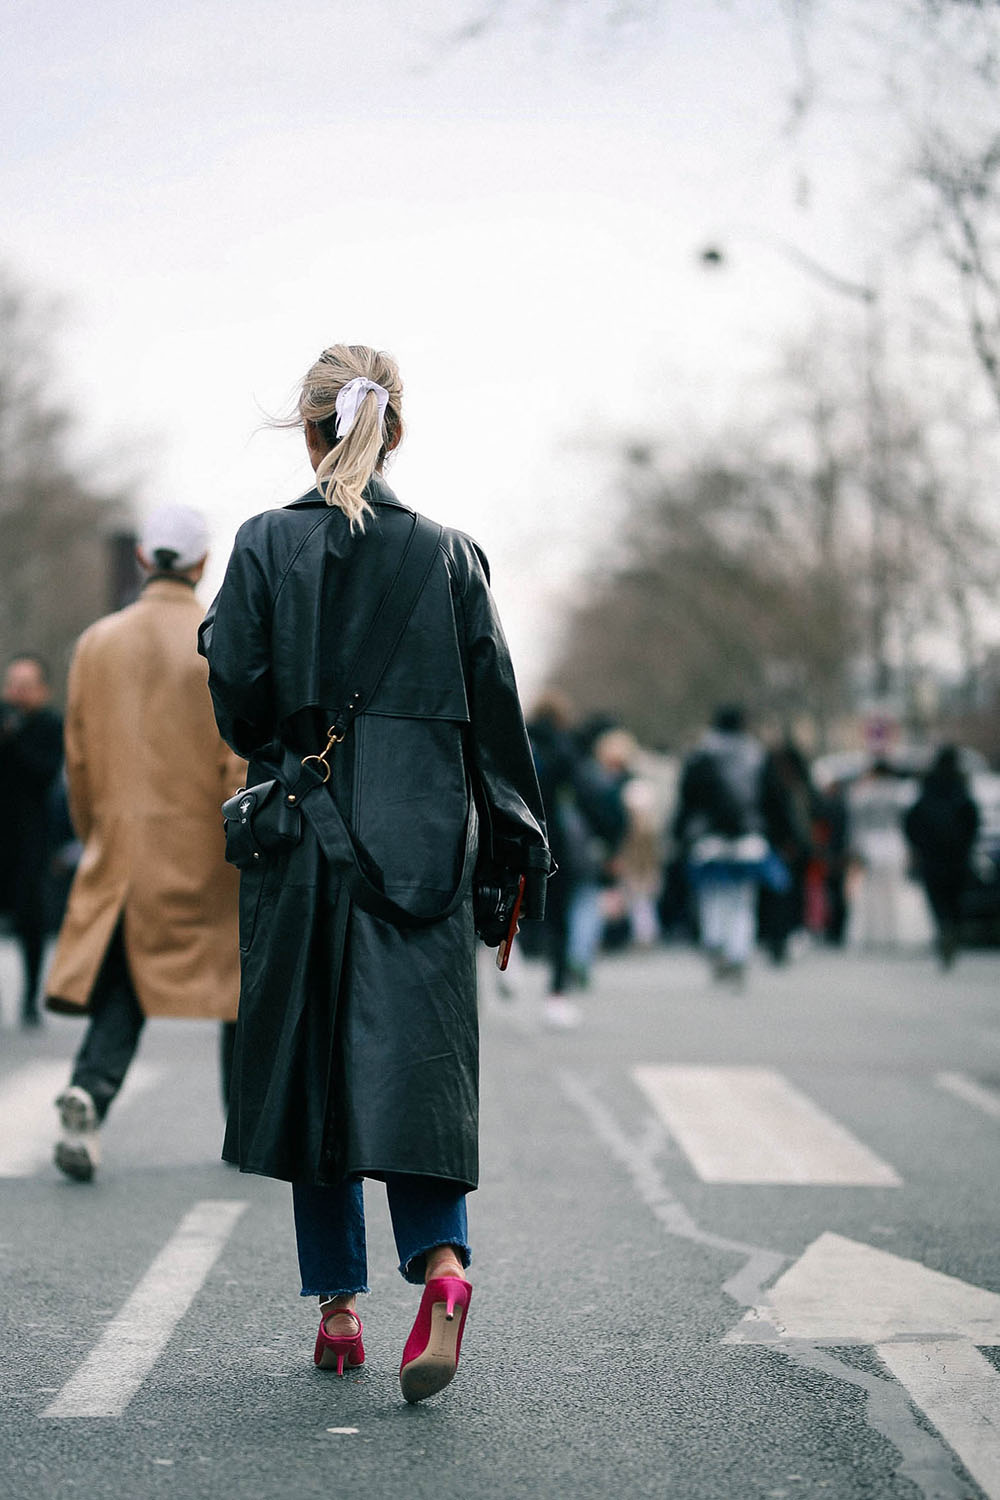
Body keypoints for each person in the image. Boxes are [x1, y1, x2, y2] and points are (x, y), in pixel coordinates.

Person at [198, 343, 550, 1404]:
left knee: (317, 1074)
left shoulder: (264, 544)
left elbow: (244, 709)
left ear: (310, 430)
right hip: (426, 848)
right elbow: (498, 734)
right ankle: (442, 1273)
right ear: (395, 430)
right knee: (418, 1068)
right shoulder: (453, 557)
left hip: (312, 846)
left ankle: (340, 1312)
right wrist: (509, 860)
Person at [45, 506, 244, 1180]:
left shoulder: (97, 642)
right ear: (203, 563)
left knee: (124, 983)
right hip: (210, 850)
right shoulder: (222, 635)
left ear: (140, 558)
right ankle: (245, 1126)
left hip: (124, 845)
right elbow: (238, 753)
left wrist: (94, 833)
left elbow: (77, 759)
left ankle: (91, 1094)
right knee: (240, 983)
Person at [672, 704, 768, 985]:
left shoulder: (701, 755)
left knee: (713, 897)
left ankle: (717, 945)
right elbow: (770, 797)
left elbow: (687, 798)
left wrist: (680, 834)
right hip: (748, 837)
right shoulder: (755, 755)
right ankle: (738, 953)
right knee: (743, 900)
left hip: (708, 838)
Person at [0, 654, 64, 1026]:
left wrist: (16, 740)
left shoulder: (48, 725)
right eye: (14, 684)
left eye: (26, 686)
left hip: (30, 837)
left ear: (42, 690)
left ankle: (29, 997)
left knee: (30, 918)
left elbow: (45, 773)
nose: (18, 693)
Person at [903, 745, 980, 968]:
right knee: (955, 898)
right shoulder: (961, 784)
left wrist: (918, 845)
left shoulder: (928, 784)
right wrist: (966, 843)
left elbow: (913, 818)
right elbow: (972, 817)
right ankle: (952, 928)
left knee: (937, 899)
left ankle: (944, 927)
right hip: (957, 856)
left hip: (932, 855)